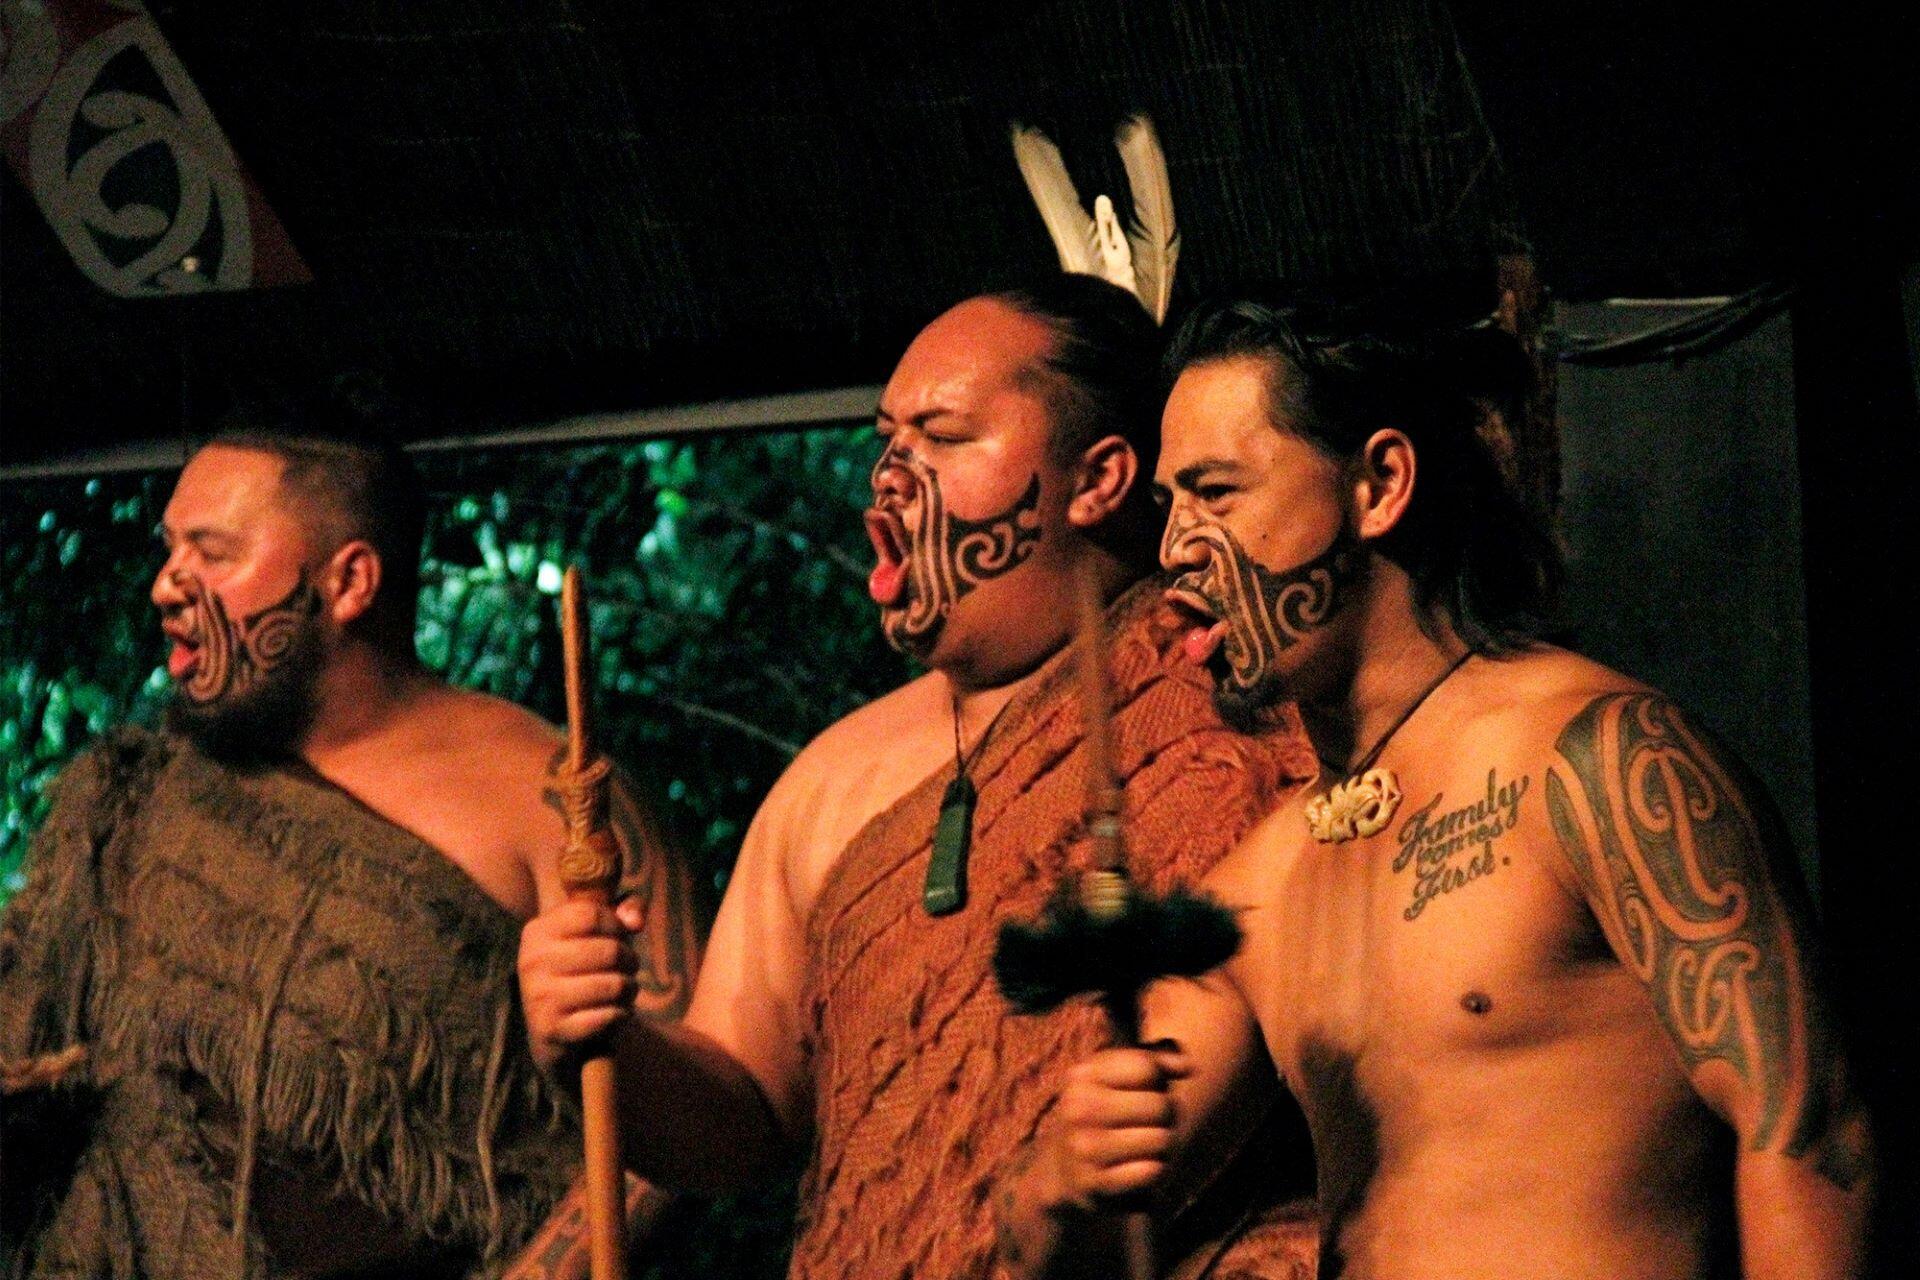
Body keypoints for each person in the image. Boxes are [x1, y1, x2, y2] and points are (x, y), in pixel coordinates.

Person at [1002, 294, 1877, 1278]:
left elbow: (1808, 1131)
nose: (1174, 553)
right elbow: (1051, 1240)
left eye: (1217, 491)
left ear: (1378, 483)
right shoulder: (1257, 888)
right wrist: (1062, 1180)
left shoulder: (1598, 760)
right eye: (1169, 506)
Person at [516, 276, 1322, 1279]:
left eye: (943, 435)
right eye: (888, 436)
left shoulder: (1227, 700)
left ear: (1100, 476)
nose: (892, 475)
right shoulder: (834, 777)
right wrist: (597, 1040)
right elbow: (743, 1112)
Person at [0, 411, 699, 1279]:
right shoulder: (141, 800)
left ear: (351, 581)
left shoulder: (557, 801)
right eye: (169, 549)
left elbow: (671, 1129)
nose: (166, 585)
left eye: (212, 554)